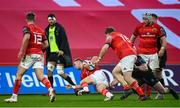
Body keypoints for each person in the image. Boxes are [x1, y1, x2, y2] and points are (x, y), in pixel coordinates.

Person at [4, 12, 55, 103]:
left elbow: (27, 38)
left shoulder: (26, 28)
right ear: (34, 19)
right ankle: (50, 89)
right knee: (40, 76)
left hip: (30, 54)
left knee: (18, 75)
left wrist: (21, 51)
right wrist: (39, 50)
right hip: (39, 55)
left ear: (26, 19)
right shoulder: (40, 30)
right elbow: (46, 44)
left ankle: (14, 97)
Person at [93, 27, 147, 101]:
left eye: (106, 35)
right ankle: (126, 88)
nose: (106, 37)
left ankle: (142, 95)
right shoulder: (122, 35)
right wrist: (134, 57)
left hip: (127, 56)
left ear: (107, 33)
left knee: (127, 77)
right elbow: (133, 45)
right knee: (115, 72)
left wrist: (99, 58)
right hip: (130, 55)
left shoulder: (110, 36)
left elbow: (105, 47)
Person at [130, 13, 167, 99]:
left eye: (146, 19)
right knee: (144, 74)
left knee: (154, 75)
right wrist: (130, 47)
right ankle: (143, 94)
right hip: (142, 53)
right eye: (143, 19)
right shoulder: (139, 27)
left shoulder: (158, 28)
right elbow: (132, 38)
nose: (144, 21)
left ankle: (160, 92)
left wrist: (162, 49)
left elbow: (163, 39)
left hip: (153, 54)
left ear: (150, 19)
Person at [45, 14, 76, 90]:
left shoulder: (60, 28)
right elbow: (46, 42)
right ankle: (51, 90)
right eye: (49, 19)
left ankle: (75, 86)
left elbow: (64, 40)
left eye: (52, 19)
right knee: (49, 70)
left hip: (59, 53)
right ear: (48, 20)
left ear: (55, 19)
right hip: (51, 54)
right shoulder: (46, 29)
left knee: (60, 72)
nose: (51, 21)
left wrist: (62, 49)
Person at [151, 13, 167, 99]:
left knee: (156, 73)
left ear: (156, 19)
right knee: (156, 74)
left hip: (159, 54)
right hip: (151, 54)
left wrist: (162, 50)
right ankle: (162, 91)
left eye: (152, 19)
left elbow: (163, 41)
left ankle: (162, 92)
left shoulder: (160, 29)